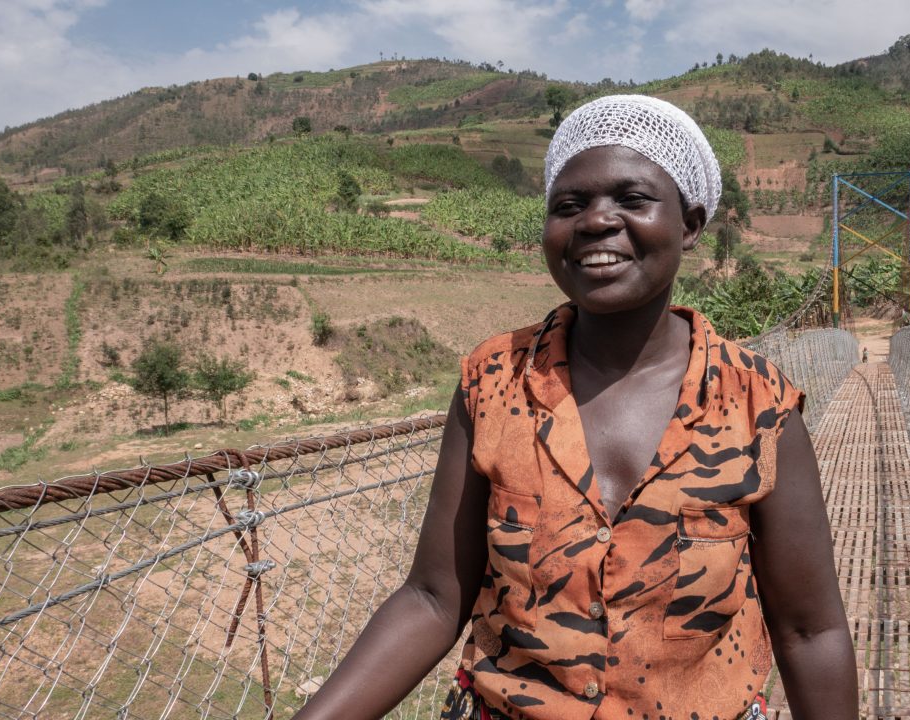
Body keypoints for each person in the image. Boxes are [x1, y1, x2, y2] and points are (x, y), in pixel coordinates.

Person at [293, 95, 857, 720]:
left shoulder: (759, 404)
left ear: (691, 225)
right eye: (570, 205)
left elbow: (811, 631)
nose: (595, 221)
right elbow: (432, 598)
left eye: (632, 199)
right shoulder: (491, 382)